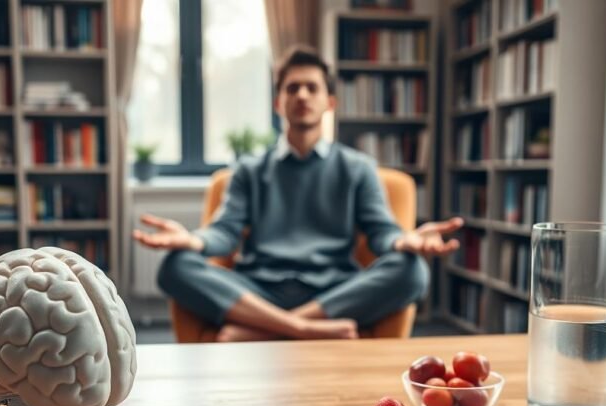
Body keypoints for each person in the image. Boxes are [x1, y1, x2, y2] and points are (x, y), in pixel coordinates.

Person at [133, 46, 463, 342]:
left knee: (412, 270)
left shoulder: (358, 168)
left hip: (333, 291)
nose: (302, 95)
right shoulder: (249, 170)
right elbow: (225, 232)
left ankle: (265, 330)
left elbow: (381, 233)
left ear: (329, 102)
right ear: (278, 102)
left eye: (312, 88)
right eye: (292, 88)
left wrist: (404, 241)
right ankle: (303, 329)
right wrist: (193, 241)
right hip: (258, 291)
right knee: (176, 266)